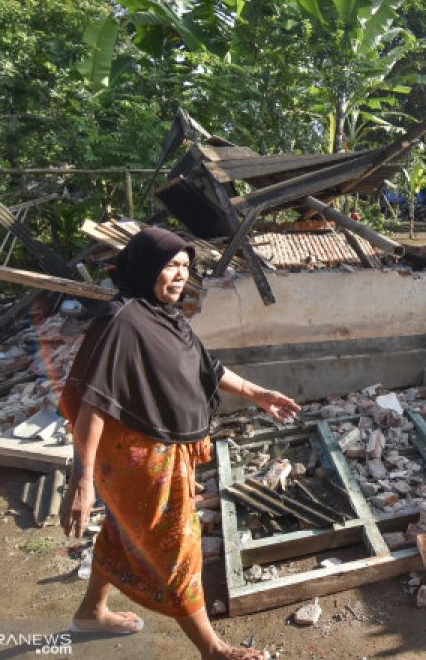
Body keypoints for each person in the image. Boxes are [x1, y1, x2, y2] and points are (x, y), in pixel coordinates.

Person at [58, 227, 301, 660]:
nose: (179, 276)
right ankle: (212, 648)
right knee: (176, 548)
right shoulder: (122, 322)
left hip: (164, 452)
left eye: (185, 267)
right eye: (170, 265)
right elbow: (92, 405)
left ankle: (91, 611)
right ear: (146, 266)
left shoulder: (165, 316)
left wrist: (257, 393)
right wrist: (81, 482)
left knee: (122, 530)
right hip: (139, 458)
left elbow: (209, 368)